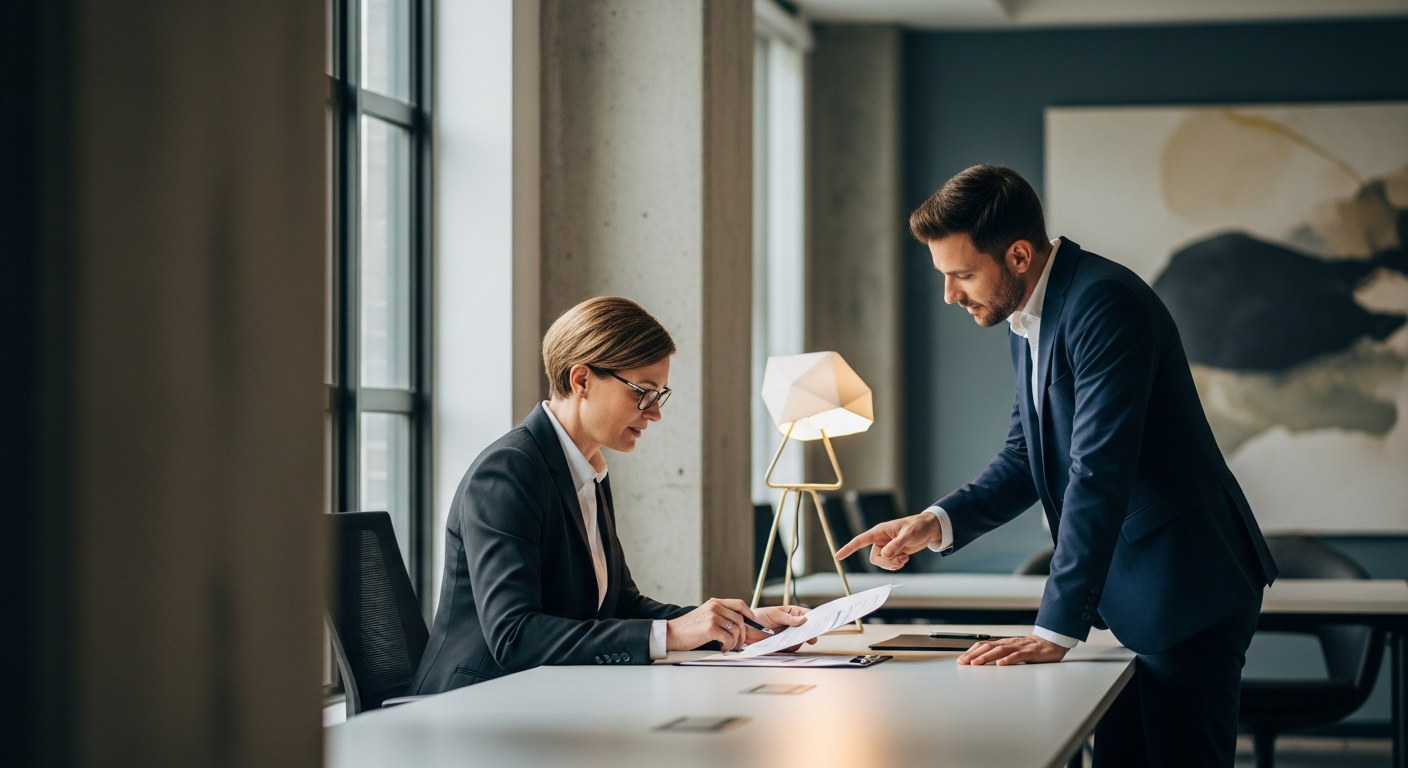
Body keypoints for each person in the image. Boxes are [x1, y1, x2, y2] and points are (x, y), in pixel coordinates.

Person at [835, 166, 1278, 767]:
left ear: (1018, 254)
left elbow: (1098, 471)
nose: (951, 295)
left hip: (1185, 584)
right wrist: (934, 522)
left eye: (962, 274)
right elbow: (1026, 457)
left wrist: (1051, 630)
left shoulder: (1103, 303)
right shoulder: (1028, 316)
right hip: (1138, 592)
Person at [409, 297, 807, 694]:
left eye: (659, 395)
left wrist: (734, 624)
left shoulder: (586, 468)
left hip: (545, 699)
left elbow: (618, 606)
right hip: (476, 708)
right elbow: (515, 636)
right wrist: (669, 633)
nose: (655, 413)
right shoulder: (508, 472)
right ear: (581, 380)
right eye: (643, 392)